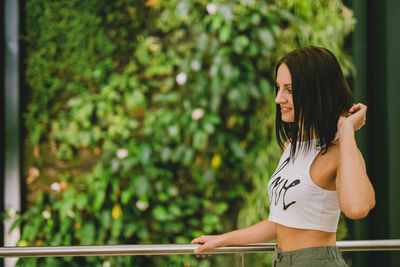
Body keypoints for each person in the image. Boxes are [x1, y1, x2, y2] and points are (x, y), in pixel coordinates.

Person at [190, 46, 376, 266]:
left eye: (290, 89)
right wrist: (224, 239)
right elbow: (282, 222)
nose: (279, 98)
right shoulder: (291, 146)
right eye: (278, 88)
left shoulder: (338, 152)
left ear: (316, 90)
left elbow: (357, 208)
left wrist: (346, 130)